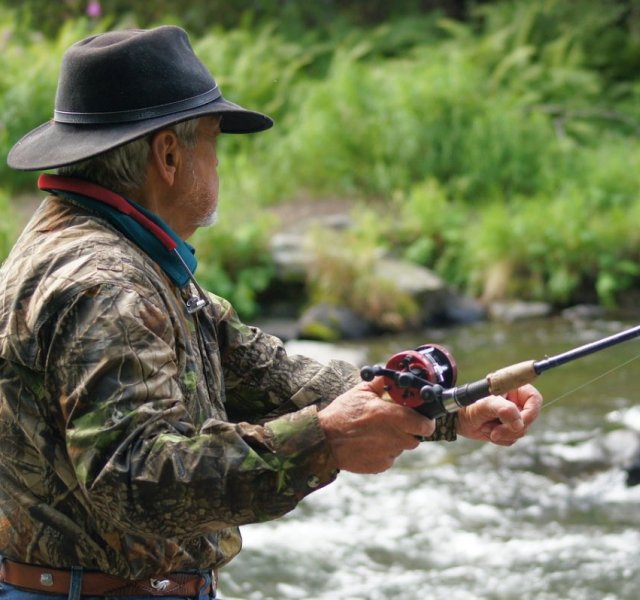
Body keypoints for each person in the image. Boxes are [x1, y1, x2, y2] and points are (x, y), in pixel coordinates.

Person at [0, 26, 542, 600]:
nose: (216, 163)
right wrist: (325, 440)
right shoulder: (107, 285)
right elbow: (137, 481)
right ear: (167, 154)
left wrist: (444, 407)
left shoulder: (103, 248)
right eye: (213, 140)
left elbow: (265, 375)